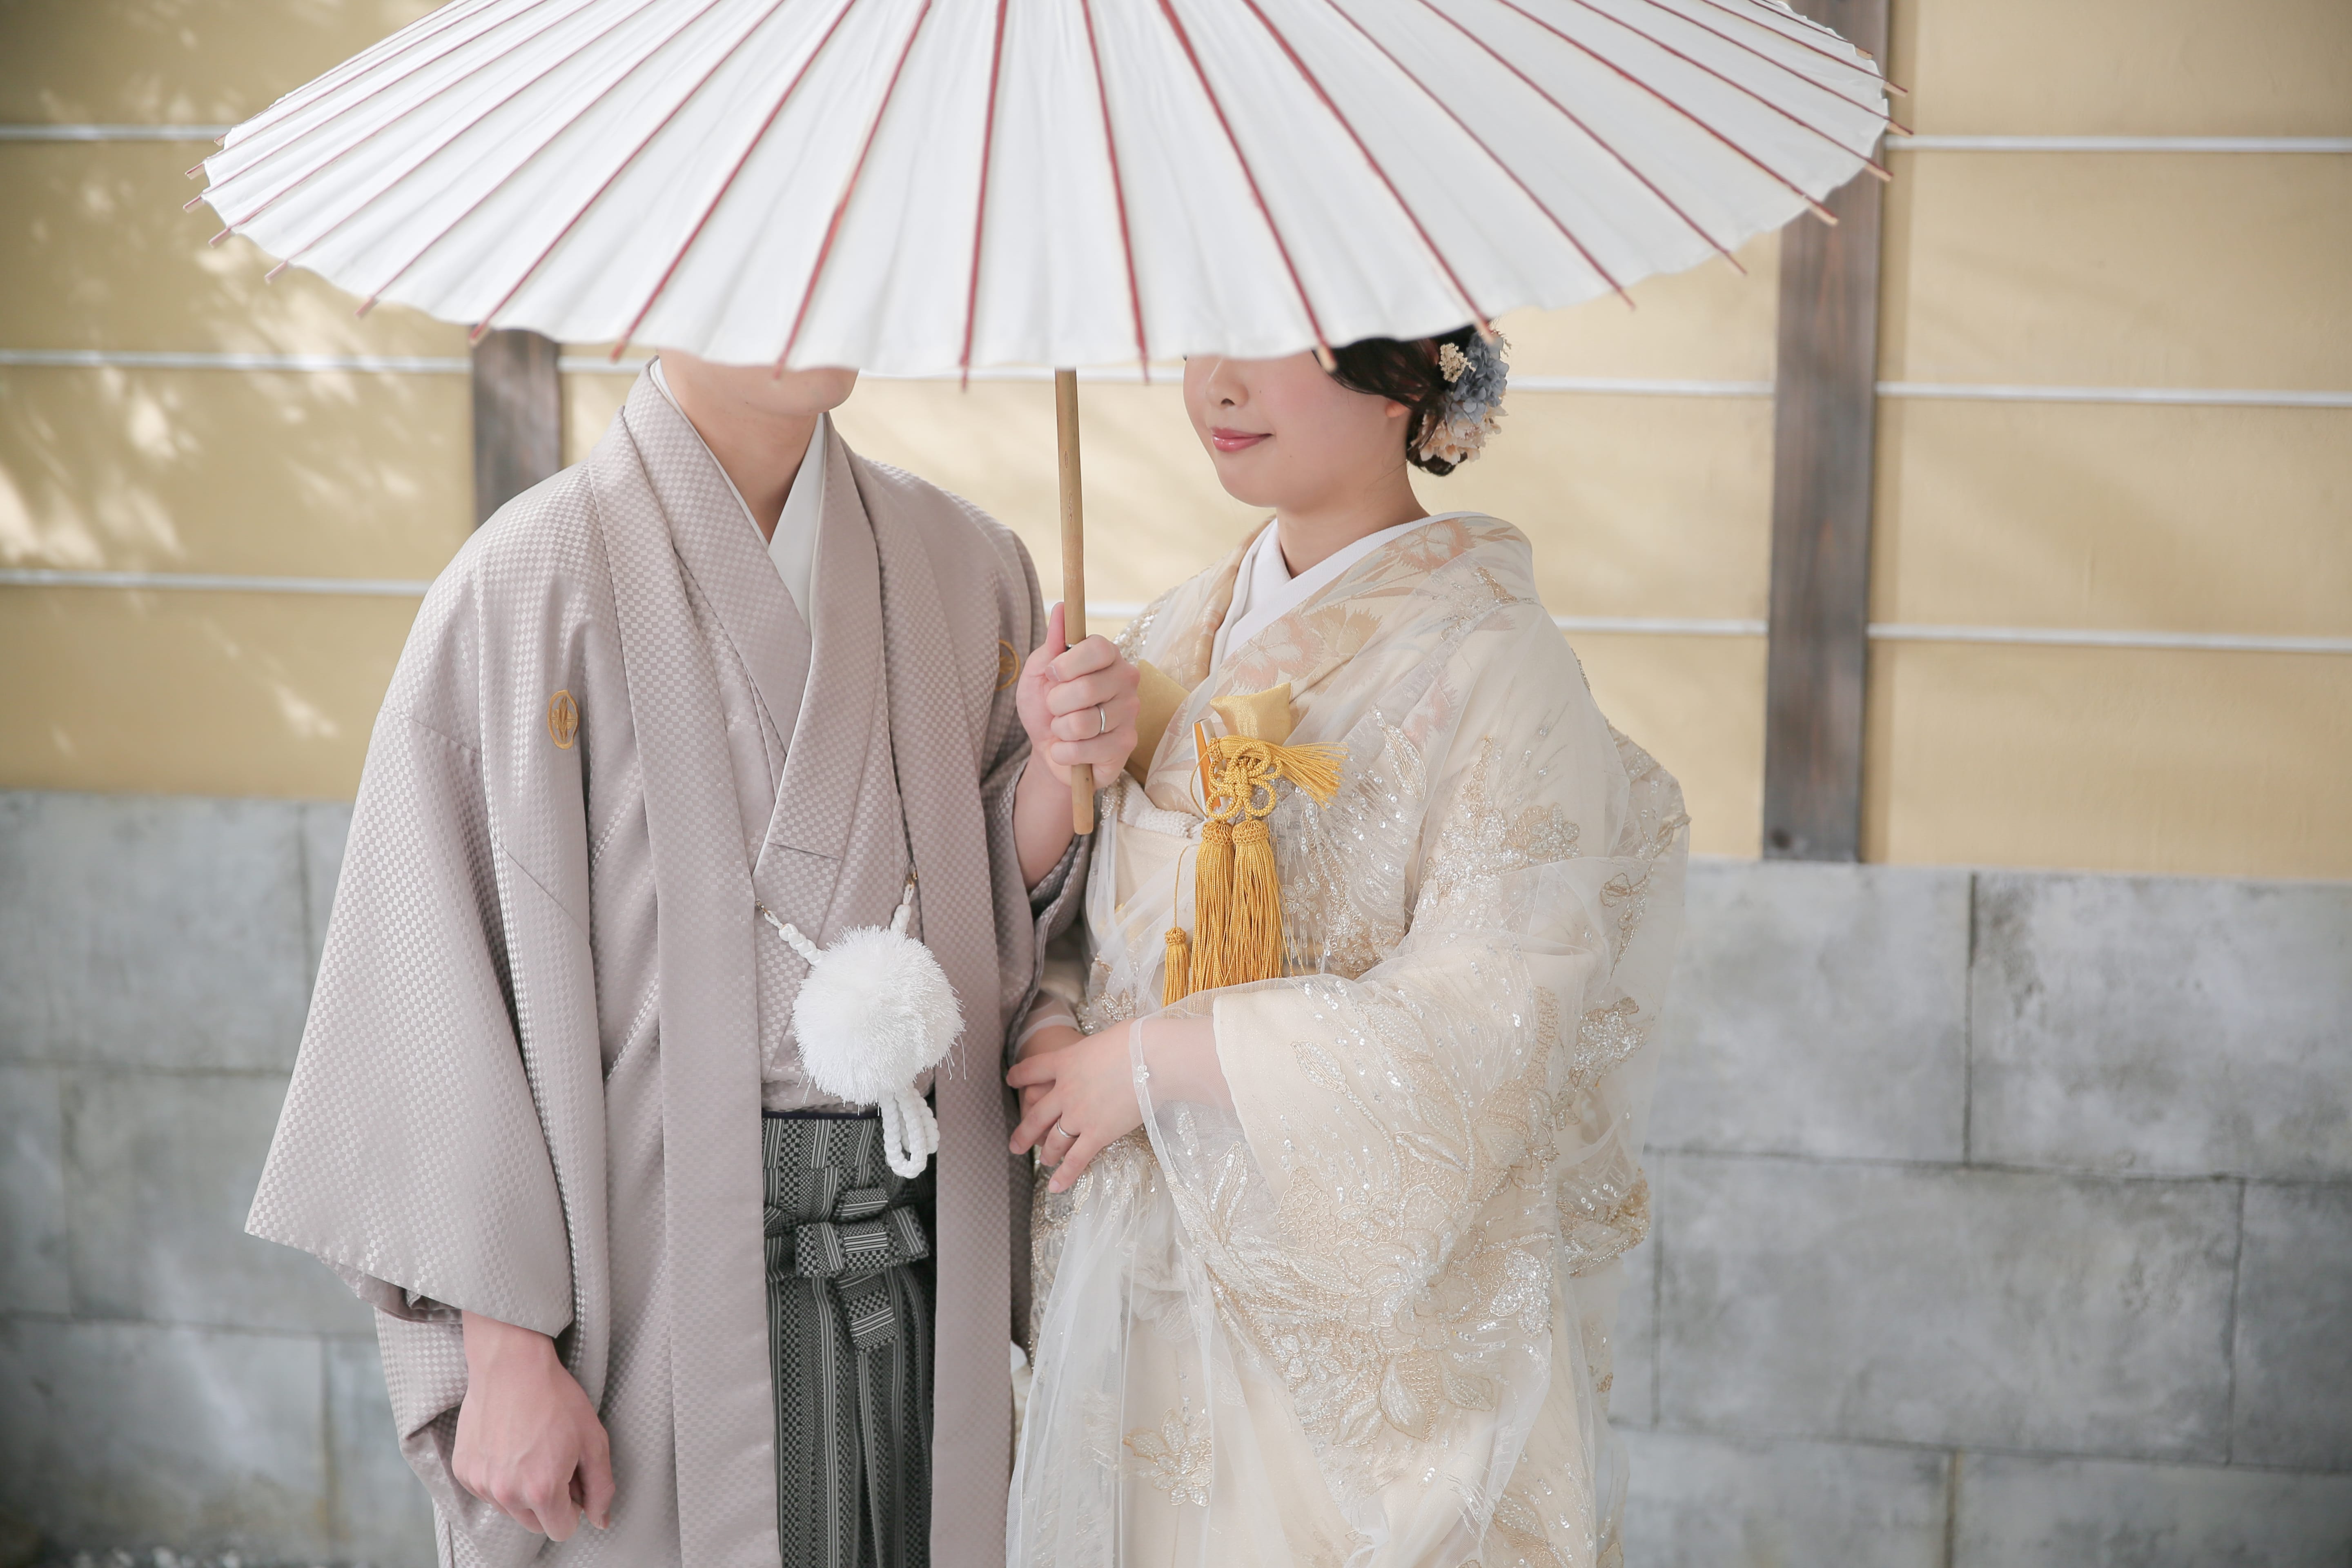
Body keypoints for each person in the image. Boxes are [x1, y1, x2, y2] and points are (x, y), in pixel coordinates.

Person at [247, 351, 1141, 1568]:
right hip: (647, 1288)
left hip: (912, 1265)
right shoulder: (528, 578)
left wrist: (1055, 772)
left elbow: (989, 912)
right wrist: (502, 1348)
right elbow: (436, 971)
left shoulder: (967, 563)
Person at [1003, 333, 1686, 1568]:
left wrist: (1159, 1059)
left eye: (1272, 343)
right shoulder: (1174, 633)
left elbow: (1495, 1017)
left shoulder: (1498, 662)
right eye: (1206, 334)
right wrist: (1057, 1012)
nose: (1218, 383)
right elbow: (1090, 928)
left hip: (1361, 1371)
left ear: (1406, 377)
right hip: (1140, 1303)